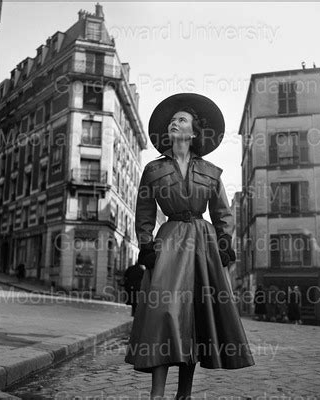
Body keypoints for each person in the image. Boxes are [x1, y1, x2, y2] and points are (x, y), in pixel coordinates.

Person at [124, 93, 255, 399]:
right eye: (172, 120)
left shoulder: (211, 172)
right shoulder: (153, 171)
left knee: (195, 316)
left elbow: (223, 214)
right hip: (167, 244)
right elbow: (143, 213)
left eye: (180, 119)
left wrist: (225, 245)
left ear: (193, 132)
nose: (174, 122)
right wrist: (146, 246)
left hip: (203, 246)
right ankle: (157, 395)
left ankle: (184, 394)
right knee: (163, 314)